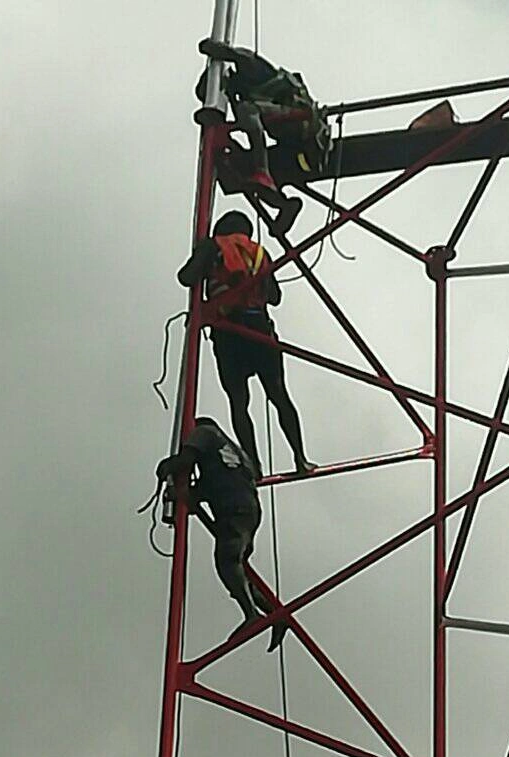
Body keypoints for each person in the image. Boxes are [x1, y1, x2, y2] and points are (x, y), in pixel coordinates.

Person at [177, 210, 316, 478]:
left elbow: (186, 277)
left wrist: (202, 257)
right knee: (279, 395)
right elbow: (275, 296)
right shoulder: (260, 252)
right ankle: (301, 458)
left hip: (229, 333)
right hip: (260, 329)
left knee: (239, 401)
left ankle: (253, 464)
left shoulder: (214, 245)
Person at [156, 417, 286, 649]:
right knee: (236, 569)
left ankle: (252, 615)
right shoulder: (233, 453)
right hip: (247, 509)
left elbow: (185, 461)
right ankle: (276, 613)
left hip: (233, 510)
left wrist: (168, 466)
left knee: (227, 562)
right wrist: (184, 495)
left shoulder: (204, 433)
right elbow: (211, 486)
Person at [196, 41, 330, 235]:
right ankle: (283, 204)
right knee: (241, 168)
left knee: (247, 111)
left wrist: (216, 50)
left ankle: (263, 172)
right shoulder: (238, 92)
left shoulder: (252, 69)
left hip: (302, 123)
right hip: (290, 140)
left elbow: (237, 55)